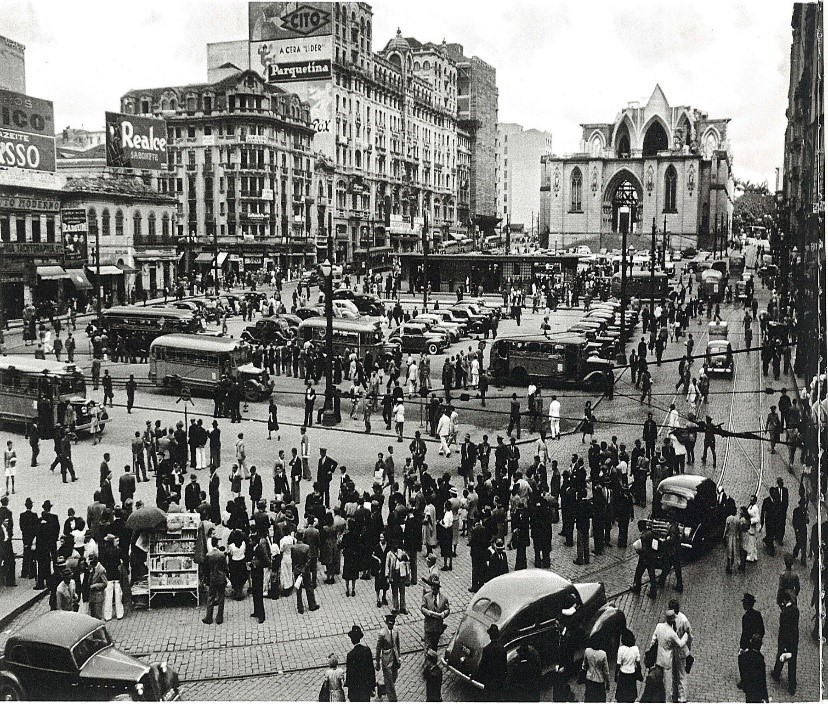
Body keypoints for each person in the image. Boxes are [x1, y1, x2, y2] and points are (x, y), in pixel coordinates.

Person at [648, 609, 689, 702]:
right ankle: (667, 701)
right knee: (668, 684)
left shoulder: (659, 626)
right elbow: (680, 643)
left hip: (658, 658)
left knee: (658, 680)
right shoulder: (671, 633)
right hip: (667, 660)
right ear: (673, 620)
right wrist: (686, 635)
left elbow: (653, 640)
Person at [770, 592, 799, 695]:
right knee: (792, 662)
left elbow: (783, 629)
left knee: (780, 656)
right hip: (794, 640)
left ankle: (776, 674)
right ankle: (792, 686)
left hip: (785, 640)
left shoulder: (784, 613)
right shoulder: (796, 610)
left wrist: (784, 645)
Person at [345, 624, 376, 702]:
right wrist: (372, 687)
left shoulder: (350, 655)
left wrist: (349, 689)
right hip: (365, 688)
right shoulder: (367, 650)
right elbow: (371, 670)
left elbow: (349, 674)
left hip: (355, 691)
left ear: (352, 640)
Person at [375, 613, 401, 702]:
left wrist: (399, 657)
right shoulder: (382, 634)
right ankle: (393, 700)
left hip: (395, 658)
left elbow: (397, 644)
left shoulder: (396, 630)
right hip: (386, 660)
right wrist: (377, 662)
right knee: (390, 681)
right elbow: (378, 649)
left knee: (395, 676)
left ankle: (381, 686)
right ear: (386, 623)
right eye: (390, 623)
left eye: (393, 623)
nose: (391, 625)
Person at [477, 623, 508, 700]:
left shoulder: (486, 649)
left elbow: (482, 667)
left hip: (489, 681)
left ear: (490, 636)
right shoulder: (502, 649)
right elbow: (504, 668)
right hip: (498, 682)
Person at [421, 573, 450, 653]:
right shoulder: (426, 597)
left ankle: (433, 662)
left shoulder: (444, 599)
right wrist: (428, 612)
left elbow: (448, 609)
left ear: (438, 589)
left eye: (435, 589)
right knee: (427, 647)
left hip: (437, 627)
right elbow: (422, 608)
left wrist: (444, 614)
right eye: (432, 588)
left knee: (434, 647)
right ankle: (427, 662)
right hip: (429, 627)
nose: (433, 590)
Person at [202, 536, 227, 625]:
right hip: (221, 578)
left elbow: (205, 569)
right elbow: (225, 567)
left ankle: (209, 617)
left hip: (212, 578)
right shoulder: (222, 555)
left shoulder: (208, 555)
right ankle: (219, 617)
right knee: (221, 597)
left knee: (211, 597)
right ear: (217, 544)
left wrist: (206, 579)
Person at [738, 634, 768, 703]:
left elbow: (740, 659)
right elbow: (762, 679)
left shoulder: (745, 655)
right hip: (757, 690)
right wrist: (765, 696)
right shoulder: (760, 660)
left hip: (748, 688)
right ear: (760, 645)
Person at [615, 628, 642, 703]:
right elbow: (638, 663)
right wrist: (639, 673)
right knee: (631, 697)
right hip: (632, 675)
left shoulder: (621, 649)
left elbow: (618, 664)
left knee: (621, 696)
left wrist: (615, 675)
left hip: (623, 674)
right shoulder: (635, 649)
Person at [583, 636, 612, 702]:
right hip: (599, 680)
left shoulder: (587, 651)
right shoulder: (603, 654)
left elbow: (584, 665)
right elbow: (606, 671)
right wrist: (607, 683)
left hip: (589, 678)